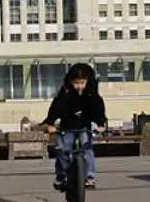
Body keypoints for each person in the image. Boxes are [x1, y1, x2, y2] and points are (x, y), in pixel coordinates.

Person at [42, 63, 107, 191]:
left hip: (84, 127)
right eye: (76, 83)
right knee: (62, 149)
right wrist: (50, 123)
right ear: (70, 81)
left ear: (88, 81)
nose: (79, 86)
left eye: (82, 82)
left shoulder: (92, 94)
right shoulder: (65, 93)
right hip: (67, 127)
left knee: (87, 148)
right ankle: (62, 176)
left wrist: (100, 124)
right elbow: (56, 107)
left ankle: (90, 177)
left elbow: (98, 109)